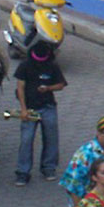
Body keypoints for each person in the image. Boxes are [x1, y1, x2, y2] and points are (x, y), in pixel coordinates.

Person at [13, 42, 67, 186]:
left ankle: (49, 167)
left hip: (48, 107)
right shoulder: (24, 66)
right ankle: (23, 172)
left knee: (51, 137)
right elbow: (20, 88)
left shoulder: (53, 66)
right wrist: (23, 109)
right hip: (30, 108)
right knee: (26, 139)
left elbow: (61, 85)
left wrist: (48, 88)